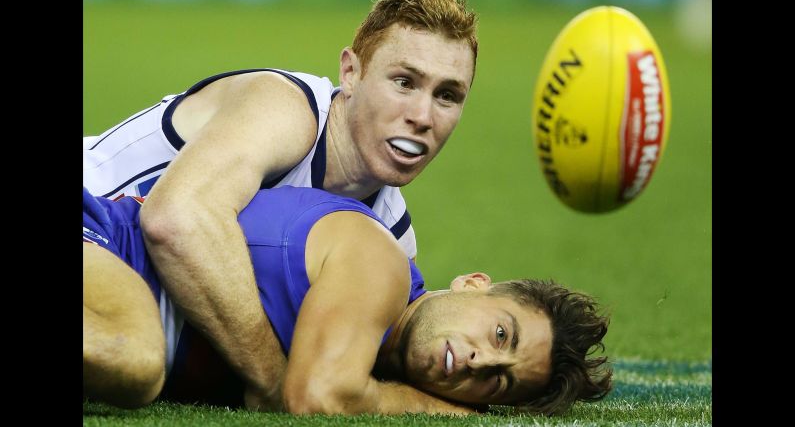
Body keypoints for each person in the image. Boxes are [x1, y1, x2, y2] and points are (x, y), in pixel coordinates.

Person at [83, 0, 478, 407]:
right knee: (132, 358)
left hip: (117, 296)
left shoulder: (390, 237)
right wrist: (273, 380)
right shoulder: (288, 109)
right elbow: (176, 220)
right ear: (351, 72)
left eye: (447, 96)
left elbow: (348, 371)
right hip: (95, 224)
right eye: (403, 82)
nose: (422, 116)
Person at [83, 186, 613, 415]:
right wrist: (448, 413)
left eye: (498, 381)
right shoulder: (380, 265)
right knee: (136, 360)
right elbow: (316, 397)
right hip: (106, 243)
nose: (482, 359)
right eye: (501, 334)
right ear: (473, 283)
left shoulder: (373, 356)